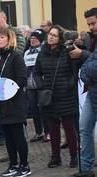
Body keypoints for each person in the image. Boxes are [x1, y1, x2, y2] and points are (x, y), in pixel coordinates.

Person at [34, 25, 78, 168]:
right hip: (49, 96)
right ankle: (56, 157)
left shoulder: (67, 51)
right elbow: (36, 72)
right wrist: (42, 85)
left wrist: (69, 85)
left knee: (69, 128)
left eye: (54, 35)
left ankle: (73, 156)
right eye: (50, 34)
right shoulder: (43, 52)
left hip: (66, 95)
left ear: (60, 39)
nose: (50, 36)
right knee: (53, 129)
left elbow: (75, 72)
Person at [0, 28, 31, 177]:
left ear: (10, 39)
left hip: (14, 102)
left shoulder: (16, 56)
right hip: (2, 103)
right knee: (8, 136)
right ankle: (13, 164)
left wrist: (8, 90)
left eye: (2, 37)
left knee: (17, 135)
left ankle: (24, 164)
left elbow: (22, 79)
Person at [69, 7, 97, 177]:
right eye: (89, 24)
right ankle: (86, 167)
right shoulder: (89, 39)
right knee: (84, 127)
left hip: (92, 85)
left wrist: (84, 55)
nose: (91, 27)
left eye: (94, 23)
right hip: (92, 91)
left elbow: (93, 67)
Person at [24, 29, 49, 142]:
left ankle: (47, 133)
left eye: (35, 39)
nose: (32, 40)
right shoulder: (26, 52)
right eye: (31, 39)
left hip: (41, 85)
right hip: (30, 85)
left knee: (43, 109)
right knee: (34, 110)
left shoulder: (43, 51)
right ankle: (39, 132)